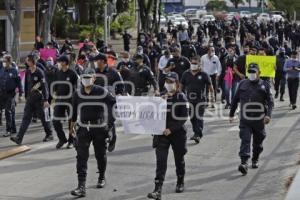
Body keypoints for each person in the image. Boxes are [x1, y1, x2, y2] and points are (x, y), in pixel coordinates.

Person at [69, 69, 116, 197]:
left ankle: (101, 176)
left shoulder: (101, 91)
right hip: (83, 128)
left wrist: (110, 124)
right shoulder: (78, 94)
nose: (86, 79)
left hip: (99, 128)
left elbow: (113, 103)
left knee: (100, 154)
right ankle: (81, 186)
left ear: (94, 78)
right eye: (84, 77)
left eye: (89, 77)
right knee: (81, 156)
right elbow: (73, 111)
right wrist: (71, 126)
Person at [148, 72, 189, 200]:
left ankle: (180, 181)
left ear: (176, 83)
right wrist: (156, 102)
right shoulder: (161, 96)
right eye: (167, 82)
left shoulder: (181, 97)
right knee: (161, 161)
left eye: (171, 82)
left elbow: (183, 117)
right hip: (161, 134)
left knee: (179, 159)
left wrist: (171, 129)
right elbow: (152, 114)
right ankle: (157, 189)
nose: (168, 84)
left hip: (177, 134)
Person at [229, 63, 274, 175]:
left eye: (254, 72)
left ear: (259, 73)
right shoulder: (243, 83)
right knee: (245, 140)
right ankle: (244, 163)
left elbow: (270, 102)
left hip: (259, 120)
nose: (252, 74)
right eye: (250, 72)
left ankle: (255, 158)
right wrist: (231, 114)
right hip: (245, 119)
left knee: (258, 142)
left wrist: (268, 115)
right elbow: (235, 99)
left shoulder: (265, 85)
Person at [10, 55, 53, 145]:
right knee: (26, 118)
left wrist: (45, 100)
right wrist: (25, 96)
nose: (26, 62)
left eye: (28, 61)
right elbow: (26, 84)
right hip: (30, 99)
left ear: (32, 61)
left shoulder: (40, 72)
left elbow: (45, 87)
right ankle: (19, 138)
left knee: (43, 118)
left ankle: (49, 134)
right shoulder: (28, 72)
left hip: (39, 100)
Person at [93, 53, 124, 152]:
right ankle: (104, 139)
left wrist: (119, 94)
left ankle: (112, 138)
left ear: (102, 61)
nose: (96, 63)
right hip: (98, 101)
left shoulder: (113, 72)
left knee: (110, 120)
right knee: (100, 121)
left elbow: (121, 84)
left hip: (110, 101)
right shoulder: (94, 72)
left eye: (97, 60)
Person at [180, 56, 214, 143]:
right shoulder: (186, 74)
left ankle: (198, 134)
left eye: (195, 63)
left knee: (199, 117)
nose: (193, 65)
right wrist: (179, 97)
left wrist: (212, 98)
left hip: (201, 100)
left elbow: (210, 87)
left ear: (199, 64)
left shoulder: (204, 74)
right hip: (190, 100)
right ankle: (196, 133)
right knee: (192, 117)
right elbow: (181, 86)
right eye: (192, 63)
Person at [52, 55, 78, 149]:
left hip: (71, 100)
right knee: (55, 120)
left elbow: (76, 88)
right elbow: (55, 87)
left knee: (71, 121)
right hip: (60, 99)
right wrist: (54, 99)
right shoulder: (58, 73)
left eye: (60, 61)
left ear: (65, 62)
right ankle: (62, 139)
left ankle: (71, 141)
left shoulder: (73, 73)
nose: (58, 63)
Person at [0, 55, 23, 137]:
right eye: (3, 61)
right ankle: (13, 129)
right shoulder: (2, 70)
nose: (3, 63)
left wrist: (20, 93)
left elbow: (19, 82)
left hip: (11, 94)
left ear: (9, 62)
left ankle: (8, 130)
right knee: (11, 111)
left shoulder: (14, 71)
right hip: (2, 93)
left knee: (8, 111)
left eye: (5, 61)